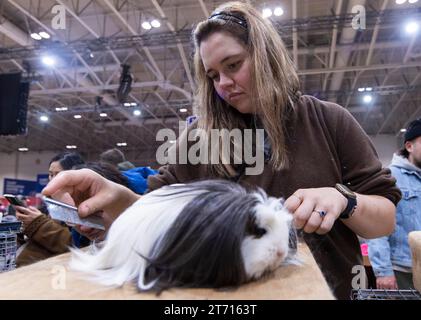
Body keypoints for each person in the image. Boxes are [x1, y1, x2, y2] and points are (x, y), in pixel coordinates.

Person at [42, 2, 400, 299]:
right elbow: (157, 210)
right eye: (213, 75)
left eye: (233, 65)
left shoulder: (329, 120)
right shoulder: (198, 138)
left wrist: (344, 199)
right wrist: (115, 197)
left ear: (266, 56)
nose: (224, 84)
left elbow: (383, 219)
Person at [367, 119, 421, 290]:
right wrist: (383, 271)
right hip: (403, 269)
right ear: (409, 146)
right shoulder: (390, 177)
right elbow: (377, 226)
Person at [15, 152, 85, 267]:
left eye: (57, 174)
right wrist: (25, 227)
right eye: (50, 174)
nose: (52, 179)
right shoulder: (49, 203)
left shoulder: (79, 205)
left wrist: (38, 224)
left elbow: (74, 246)